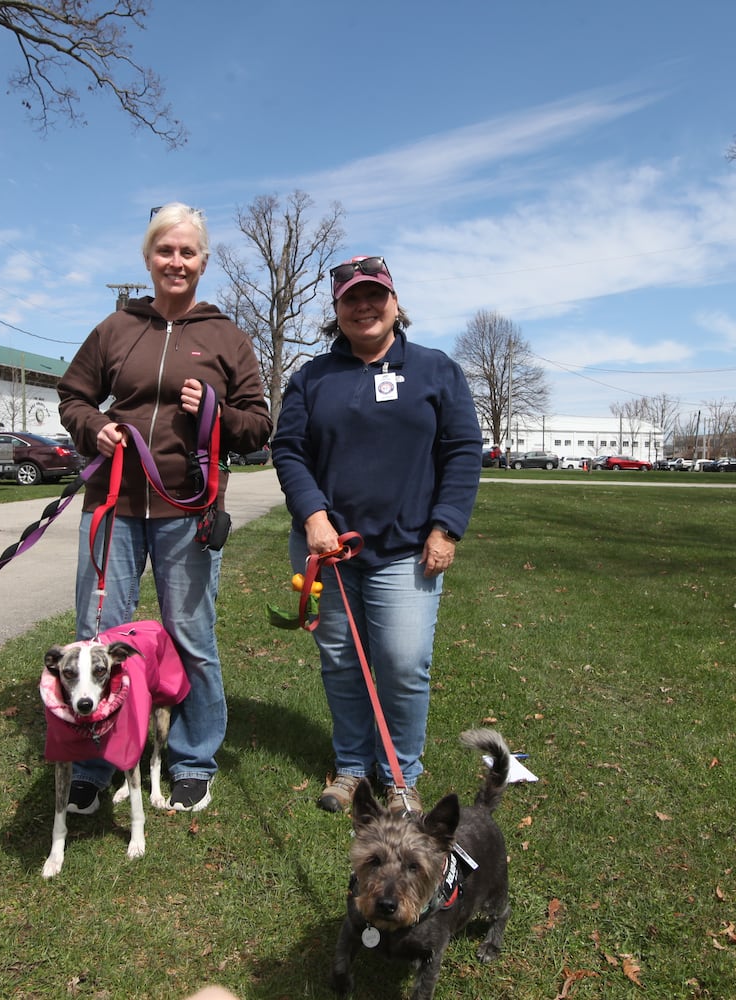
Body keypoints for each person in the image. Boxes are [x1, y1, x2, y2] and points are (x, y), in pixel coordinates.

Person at [57, 203, 271, 812]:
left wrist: (215, 413)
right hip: (113, 506)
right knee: (96, 637)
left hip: (188, 511)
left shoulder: (226, 336)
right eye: (165, 251)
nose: (175, 262)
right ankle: (96, 764)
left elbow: (258, 425)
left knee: (191, 637)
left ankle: (193, 757)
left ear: (203, 261)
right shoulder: (116, 329)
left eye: (187, 252)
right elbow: (73, 395)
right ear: (148, 258)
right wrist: (93, 425)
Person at [270, 255, 482, 814]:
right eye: (351, 299)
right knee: (341, 658)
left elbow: (462, 452)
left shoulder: (437, 371)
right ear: (337, 310)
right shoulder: (312, 378)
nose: (364, 306)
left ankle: (400, 775)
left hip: (407, 548)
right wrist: (314, 515)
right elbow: (289, 450)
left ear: (395, 302)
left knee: (403, 660)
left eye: (374, 295)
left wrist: (447, 527)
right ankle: (351, 767)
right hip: (328, 549)